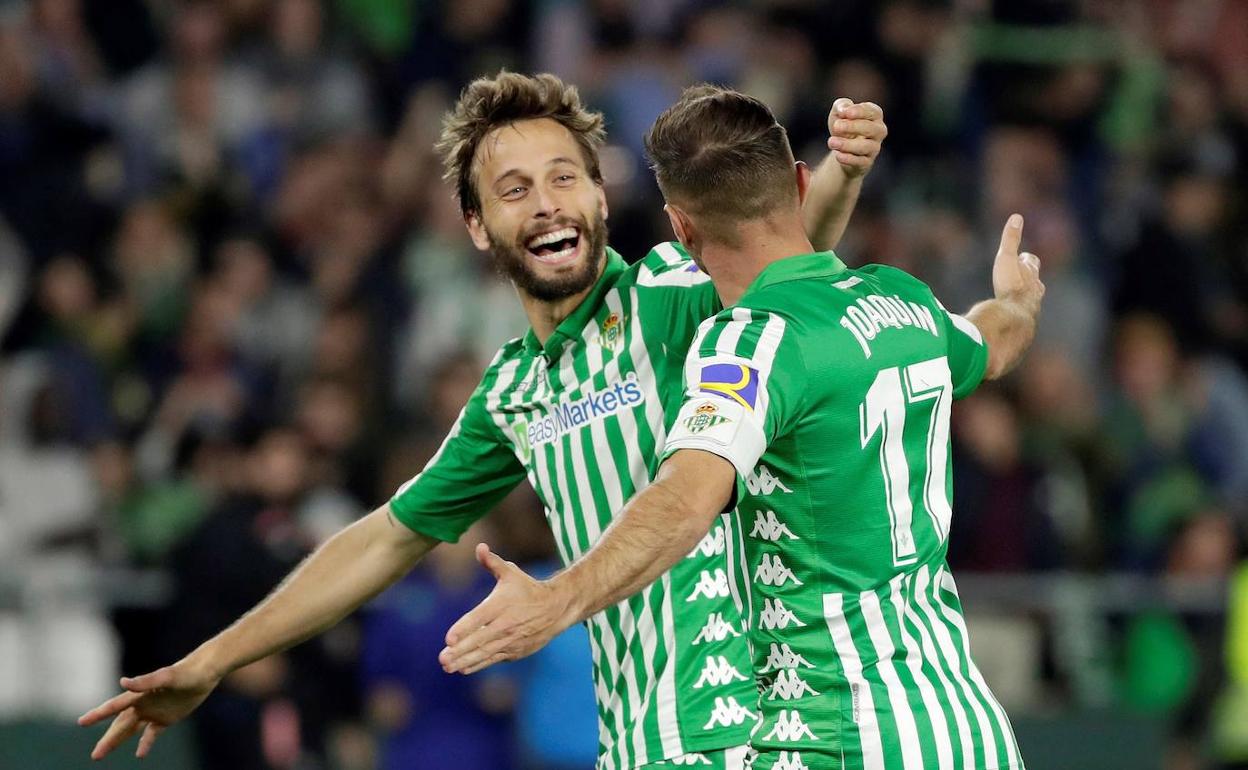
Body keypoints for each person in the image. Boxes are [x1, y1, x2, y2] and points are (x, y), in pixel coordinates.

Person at [78, 71, 888, 769]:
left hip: (755, 737)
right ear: (475, 226)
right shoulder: (512, 396)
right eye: (514, 190)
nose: (546, 205)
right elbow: (387, 537)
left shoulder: (674, 293)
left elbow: (782, 266)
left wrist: (842, 177)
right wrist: (215, 660)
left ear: (602, 195)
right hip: (639, 744)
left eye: (565, 178)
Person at [439, 85, 1045, 770]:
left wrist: (559, 600)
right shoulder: (901, 300)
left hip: (836, 738)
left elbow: (688, 497)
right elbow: (993, 341)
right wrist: (1018, 299)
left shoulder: (746, 344)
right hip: (967, 729)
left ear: (682, 230)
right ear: (797, 183)